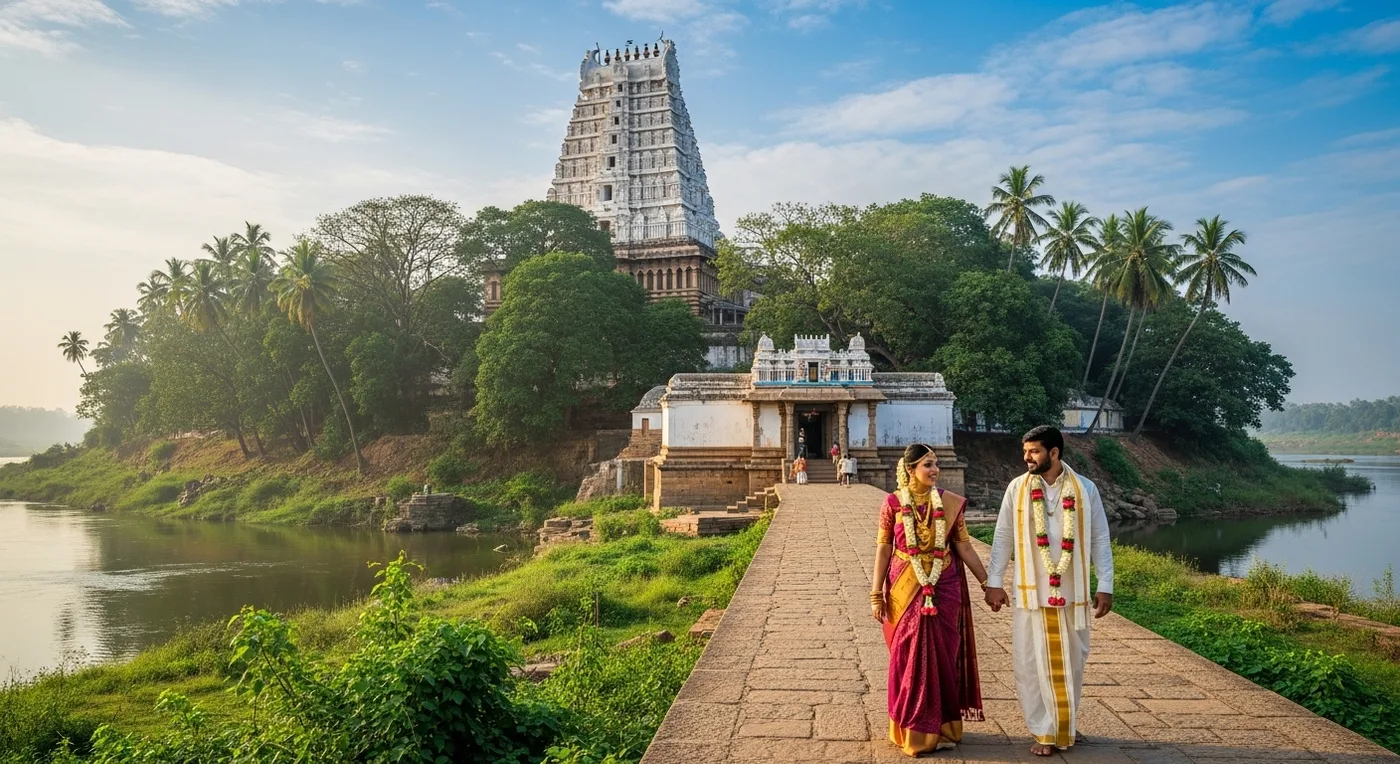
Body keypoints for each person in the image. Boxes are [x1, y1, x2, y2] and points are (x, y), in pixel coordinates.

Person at [984, 426, 1114, 757]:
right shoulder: (1017, 488)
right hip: (1032, 592)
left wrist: (1106, 585)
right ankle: (1045, 730)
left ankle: (1064, 723)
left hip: (1073, 593)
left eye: (1034, 452)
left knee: (1073, 662)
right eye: (1025, 452)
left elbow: (1100, 537)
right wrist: (994, 582)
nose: (1026, 458)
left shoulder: (1085, 489)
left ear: (1054, 453)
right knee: (1029, 663)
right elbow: (1003, 537)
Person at [870, 443, 988, 757]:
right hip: (903, 590)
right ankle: (912, 729)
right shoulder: (893, 504)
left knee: (943, 659)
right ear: (910, 470)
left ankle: (944, 727)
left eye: (936, 464)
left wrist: (988, 583)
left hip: (943, 589)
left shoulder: (949, 503)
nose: (935, 470)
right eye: (928, 465)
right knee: (907, 657)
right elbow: (883, 550)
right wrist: (875, 593)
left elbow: (964, 547)